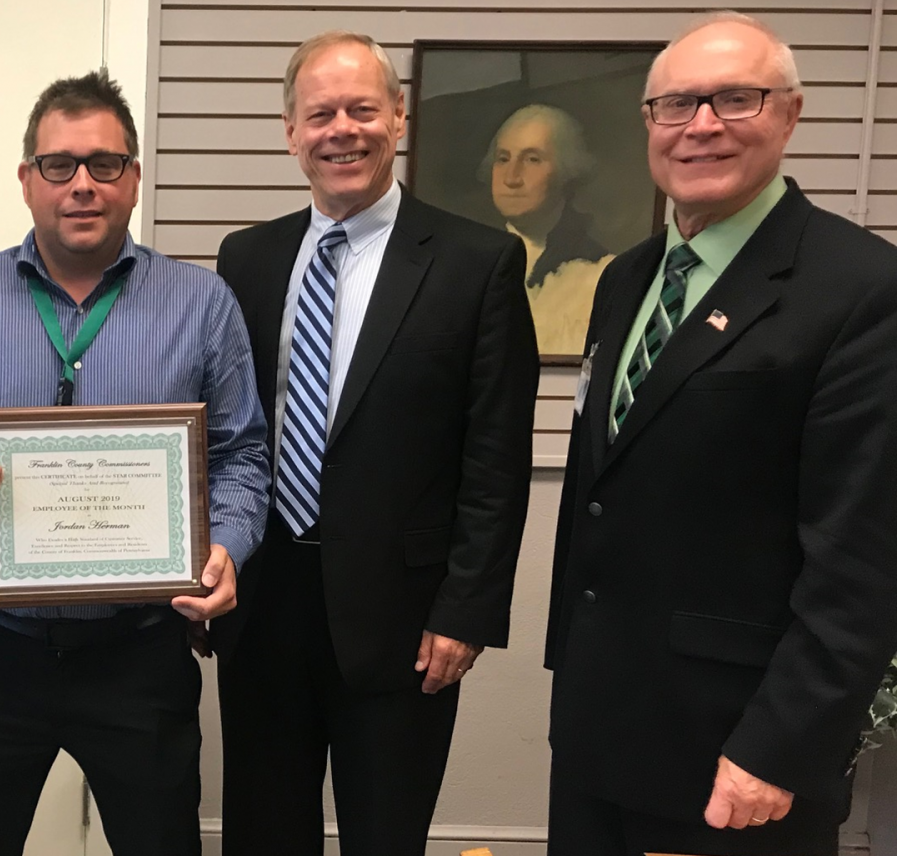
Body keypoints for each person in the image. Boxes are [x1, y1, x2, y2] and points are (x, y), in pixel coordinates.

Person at [0, 70, 269, 855]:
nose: (82, 184)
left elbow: (243, 453)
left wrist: (227, 546)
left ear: (135, 179)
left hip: (140, 654)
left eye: (105, 164)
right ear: (27, 181)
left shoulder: (202, 303)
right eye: (59, 165)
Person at [545, 13, 897, 856]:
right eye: (675, 106)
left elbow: (864, 562)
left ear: (790, 112)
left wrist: (776, 751)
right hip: (599, 730)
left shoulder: (859, 290)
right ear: (649, 126)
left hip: (736, 757)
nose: (701, 125)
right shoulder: (628, 279)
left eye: (734, 99)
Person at [210, 31, 538, 856]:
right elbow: (222, 431)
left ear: (400, 117)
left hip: (403, 619)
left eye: (363, 109)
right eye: (321, 113)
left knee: (386, 835)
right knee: (263, 833)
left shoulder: (479, 262)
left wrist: (466, 613)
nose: (342, 130)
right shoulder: (245, 258)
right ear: (290, 131)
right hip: (264, 603)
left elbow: (495, 459)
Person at [483, 104, 613, 355]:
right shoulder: (466, 261)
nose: (511, 178)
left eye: (532, 159)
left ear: (567, 170)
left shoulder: (599, 273)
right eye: (503, 159)